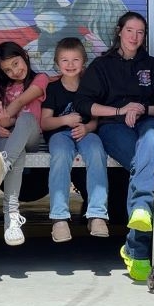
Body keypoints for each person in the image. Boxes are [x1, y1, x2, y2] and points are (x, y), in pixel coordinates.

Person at [76, 12, 154, 282]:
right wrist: (120, 110)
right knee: (146, 167)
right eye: (130, 30)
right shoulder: (101, 65)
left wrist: (141, 109)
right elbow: (84, 104)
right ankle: (137, 242)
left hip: (148, 123)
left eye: (140, 32)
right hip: (113, 127)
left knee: (148, 150)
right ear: (119, 31)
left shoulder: (153, 66)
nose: (135, 37)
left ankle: (137, 240)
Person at [41, 37, 109, 242]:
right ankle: (59, 217)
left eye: (75, 60)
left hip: (86, 133)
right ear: (56, 63)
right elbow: (45, 122)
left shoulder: (90, 87)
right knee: (61, 155)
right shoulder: (53, 88)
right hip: (60, 134)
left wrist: (86, 128)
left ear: (84, 61)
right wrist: (65, 120)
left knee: (97, 151)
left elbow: (95, 120)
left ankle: (97, 214)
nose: (70, 65)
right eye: (65, 60)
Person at [0, 42, 49, 247]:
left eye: (16, 63)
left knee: (26, 119)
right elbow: (2, 119)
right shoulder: (1, 88)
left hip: (31, 136)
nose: (14, 71)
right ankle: (12, 219)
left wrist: (3, 120)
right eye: (7, 70)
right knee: (15, 154)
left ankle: (4, 164)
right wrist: (0, 124)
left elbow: (21, 103)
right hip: (8, 139)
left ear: (25, 56)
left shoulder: (40, 79)